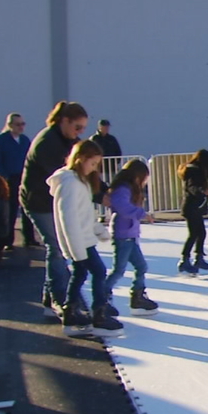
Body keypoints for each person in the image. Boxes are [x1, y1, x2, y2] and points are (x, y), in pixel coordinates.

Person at [49, 140, 124, 338]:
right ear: (80, 159)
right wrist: (76, 250)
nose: (93, 169)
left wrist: (99, 230)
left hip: (84, 240)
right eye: (92, 164)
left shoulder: (79, 182)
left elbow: (85, 214)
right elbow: (69, 219)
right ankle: (98, 313)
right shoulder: (70, 184)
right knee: (98, 271)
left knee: (80, 274)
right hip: (80, 243)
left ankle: (71, 312)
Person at [21, 101, 89, 319]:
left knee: (58, 247)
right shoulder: (46, 143)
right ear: (64, 121)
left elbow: (82, 169)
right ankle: (60, 300)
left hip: (53, 200)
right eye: (77, 127)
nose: (79, 133)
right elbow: (69, 175)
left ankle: (50, 299)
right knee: (56, 247)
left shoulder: (69, 140)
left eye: (82, 129)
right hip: (39, 201)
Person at [105, 160, 158, 316]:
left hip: (131, 236)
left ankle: (138, 297)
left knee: (141, 266)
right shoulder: (123, 189)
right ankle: (102, 296)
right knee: (119, 270)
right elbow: (122, 207)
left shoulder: (128, 189)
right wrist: (141, 213)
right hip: (123, 237)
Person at [0, 113, 35, 248]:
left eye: (23, 124)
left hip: (24, 177)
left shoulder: (25, 140)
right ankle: (8, 240)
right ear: (10, 125)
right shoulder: (0, 140)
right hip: (10, 178)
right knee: (10, 210)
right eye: (18, 124)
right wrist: (4, 177)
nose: (21, 127)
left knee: (27, 208)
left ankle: (29, 238)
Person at [177, 150, 208, 276]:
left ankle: (198, 258)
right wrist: (202, 192)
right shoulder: (194, 171)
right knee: (194, 234)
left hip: (196, 207)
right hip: (191, 207)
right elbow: (192, 187)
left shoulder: (197, 171)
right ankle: (185, 260)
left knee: (201, 233)